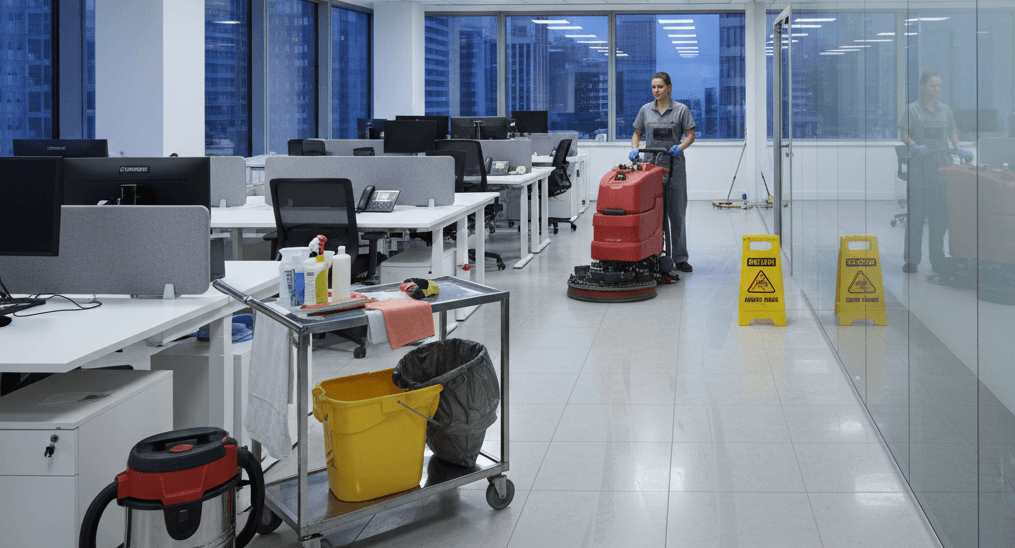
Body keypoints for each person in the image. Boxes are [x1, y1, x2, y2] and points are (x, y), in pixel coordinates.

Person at [899, 70, 974, 274]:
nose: (936, 89)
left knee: (939, 215)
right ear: (923, 86)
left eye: (939, 86)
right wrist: (914, 146)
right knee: (916, 214)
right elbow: (903, 133)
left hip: (941, 166)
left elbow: (952, 131)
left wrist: (957, 147)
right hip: (920, 166)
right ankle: (911, 260)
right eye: (932, 85)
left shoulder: (945, 110)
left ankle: (937, 257)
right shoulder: (912, 110)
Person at [630, 72, 696, 273]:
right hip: (650, 168)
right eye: (653, 87)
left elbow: (691, 135)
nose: (656, 91)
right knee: (652, 213)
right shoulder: (645, 110)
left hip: (674, 167)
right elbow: (637, 133)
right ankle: (653, 255)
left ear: (669, 87)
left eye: (660, 86)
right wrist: (634, 148)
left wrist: (681, 147)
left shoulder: (681, 110)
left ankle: (680, 257)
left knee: (676, 213)